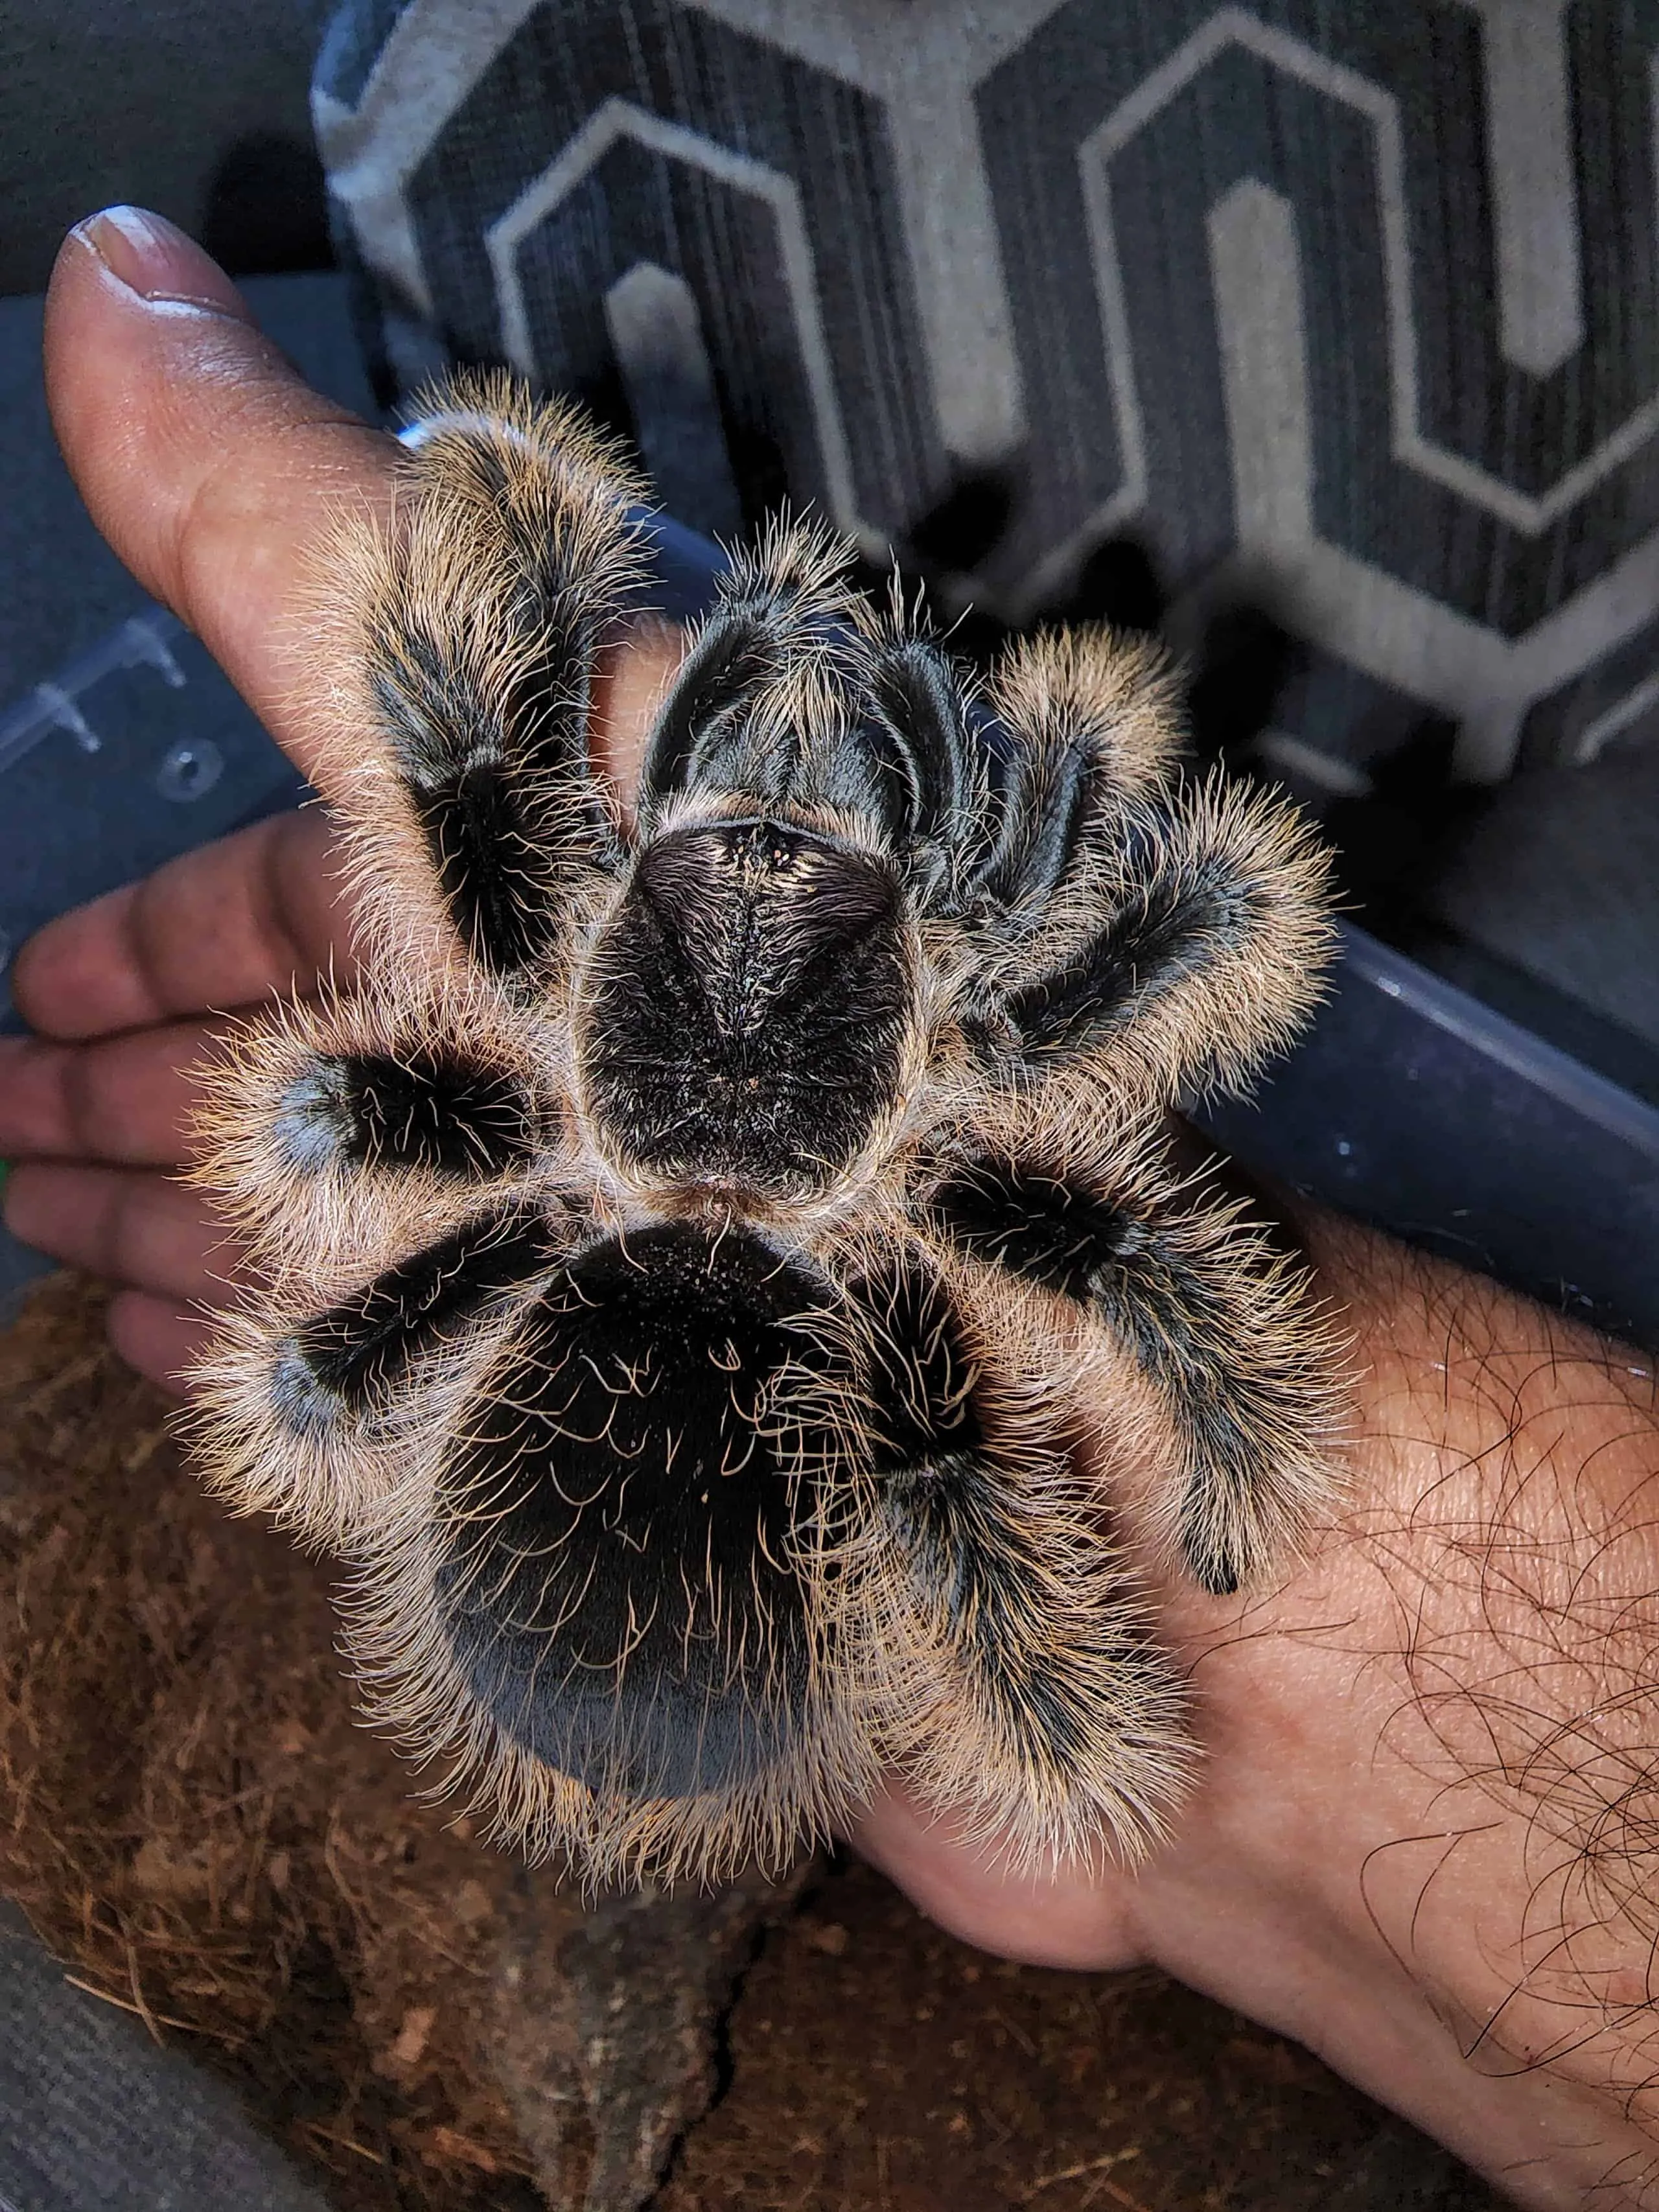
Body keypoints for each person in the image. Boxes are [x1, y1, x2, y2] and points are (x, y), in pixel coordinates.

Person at [3, 207, 1657, 2211]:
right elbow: (1215, 927)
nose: (774, 854)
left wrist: (498, 511)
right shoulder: (966, 1145)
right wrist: (1224, 1490)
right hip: (691, 1348)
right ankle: (1064, 1750)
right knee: (988, 1415)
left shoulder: (520, 1000)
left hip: (560, 1264)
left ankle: (1093, 1761)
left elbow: (320, 1113)